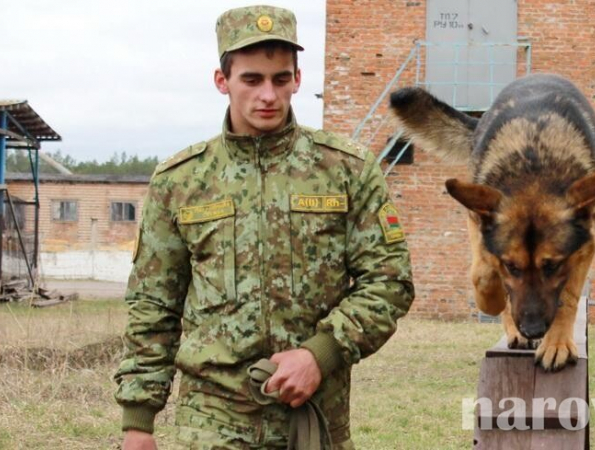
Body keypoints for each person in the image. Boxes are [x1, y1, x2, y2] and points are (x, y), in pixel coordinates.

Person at [114, 5, 414, 449]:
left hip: (315, 420)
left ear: (298, 79)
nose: (268, 95)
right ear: (222, 81)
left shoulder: (345, 170)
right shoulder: (181, 181)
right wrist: (138, 421)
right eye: (251, 80)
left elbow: (390, 282)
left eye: (280, 79)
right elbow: (154, 304)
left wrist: (319, 354)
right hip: (212, 424)